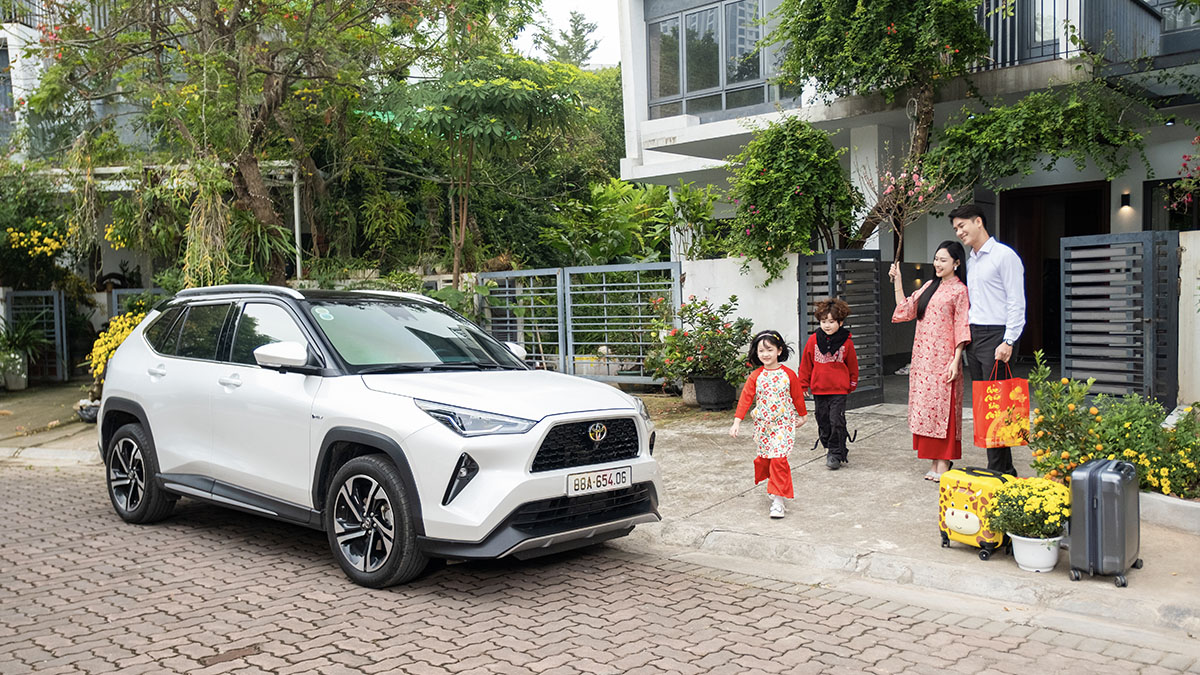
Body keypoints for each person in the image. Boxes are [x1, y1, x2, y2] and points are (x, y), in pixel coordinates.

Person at [950, 203, 1026, 476]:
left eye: (962, 226)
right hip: (976, 335)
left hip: (997, 335)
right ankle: (1006, 469)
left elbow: (1016, 301)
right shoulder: (971, 260)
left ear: (978, 221)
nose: (959, 232)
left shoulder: (1004, 256)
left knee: (999, 405)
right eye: (955, 229)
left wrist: (1009, 340)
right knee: (987, 405)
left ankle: (997, 470)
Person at [889, 240, 972, 481]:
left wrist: (956, 361)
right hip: (923, 360)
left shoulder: (960, 291)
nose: (937, 264)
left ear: (956, 263)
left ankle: (943, 461)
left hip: (945, 359)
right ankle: (934, 461)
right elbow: (905, 309)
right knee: (927, 410)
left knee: (944, 410)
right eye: (936, 259)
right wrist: (897, 281)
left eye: (943, 260)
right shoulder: (929, 286)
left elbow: (961, 326)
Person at [729, 330, 808, 518]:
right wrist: (737, 422)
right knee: (766, 459)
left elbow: (797, 396)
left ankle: (778, 501)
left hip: (783, 425)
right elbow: (746, 399)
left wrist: (803, 416)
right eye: (761, 351)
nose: (765, 354)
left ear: (779, 350)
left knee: (779, 459)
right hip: (763, 427)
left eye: (770, 350)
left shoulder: (789, 375)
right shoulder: (756, 376)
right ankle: (774, 485)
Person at [796, 298, 859, 471]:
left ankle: (836, 452)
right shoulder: (813, 340)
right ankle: (829, 445)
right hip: (819, 389)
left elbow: (853, 364)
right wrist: (803, 384)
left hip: (839, 389)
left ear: (840, 322)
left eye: (831, 322)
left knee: (836, 420)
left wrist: (852, 382)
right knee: (823, 420)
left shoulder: (847, 342)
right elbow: (806, 363)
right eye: (824, 322)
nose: (827, 325)